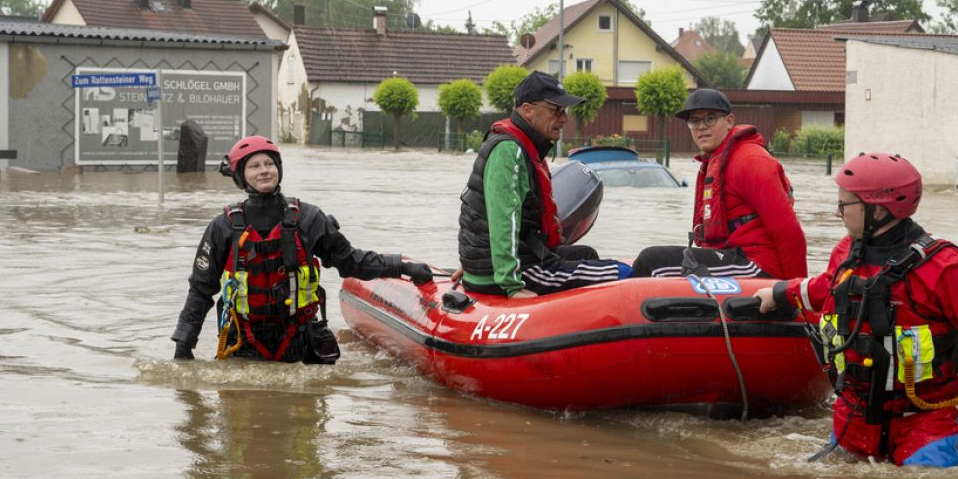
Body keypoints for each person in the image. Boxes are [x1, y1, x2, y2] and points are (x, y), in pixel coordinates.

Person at [754, 152, 958, 467]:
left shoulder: (946, 268)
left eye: (844, 204)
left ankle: (954, 445)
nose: (837, 213)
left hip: (924, 423)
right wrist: (780, 292)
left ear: (878, 209)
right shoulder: (846, 252)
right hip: (853, 419)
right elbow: (825, 287)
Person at [171, 135, 433, 362]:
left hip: (299, 338)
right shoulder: (222, 227)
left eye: (269, 164)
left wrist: (402, 266)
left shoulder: (308, 218)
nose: (264, 170)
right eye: (254, 166)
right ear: (241, 175)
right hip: (244, 341)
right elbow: (200, 290)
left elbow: (350, 261)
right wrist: (184, 344)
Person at [458, 71, 629, 298]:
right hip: (513, 274)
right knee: (625, 273)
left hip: (505, 264)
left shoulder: (524, 145)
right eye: (556, 110)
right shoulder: (509, 150)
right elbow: (503, 220)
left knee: (586, 254)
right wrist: (510, 285)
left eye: (564, 111)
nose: (564, 118)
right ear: (528, 110)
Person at [631, 88, 807, 279]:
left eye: (710, 118)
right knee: (651, 259)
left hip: (757, 264)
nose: (701, 127)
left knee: (653, 261)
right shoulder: (714, 160)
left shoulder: (750, 161)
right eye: (695, 121)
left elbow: (789, 232)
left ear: (729, 121)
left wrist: (794, 292)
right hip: (731, 255)